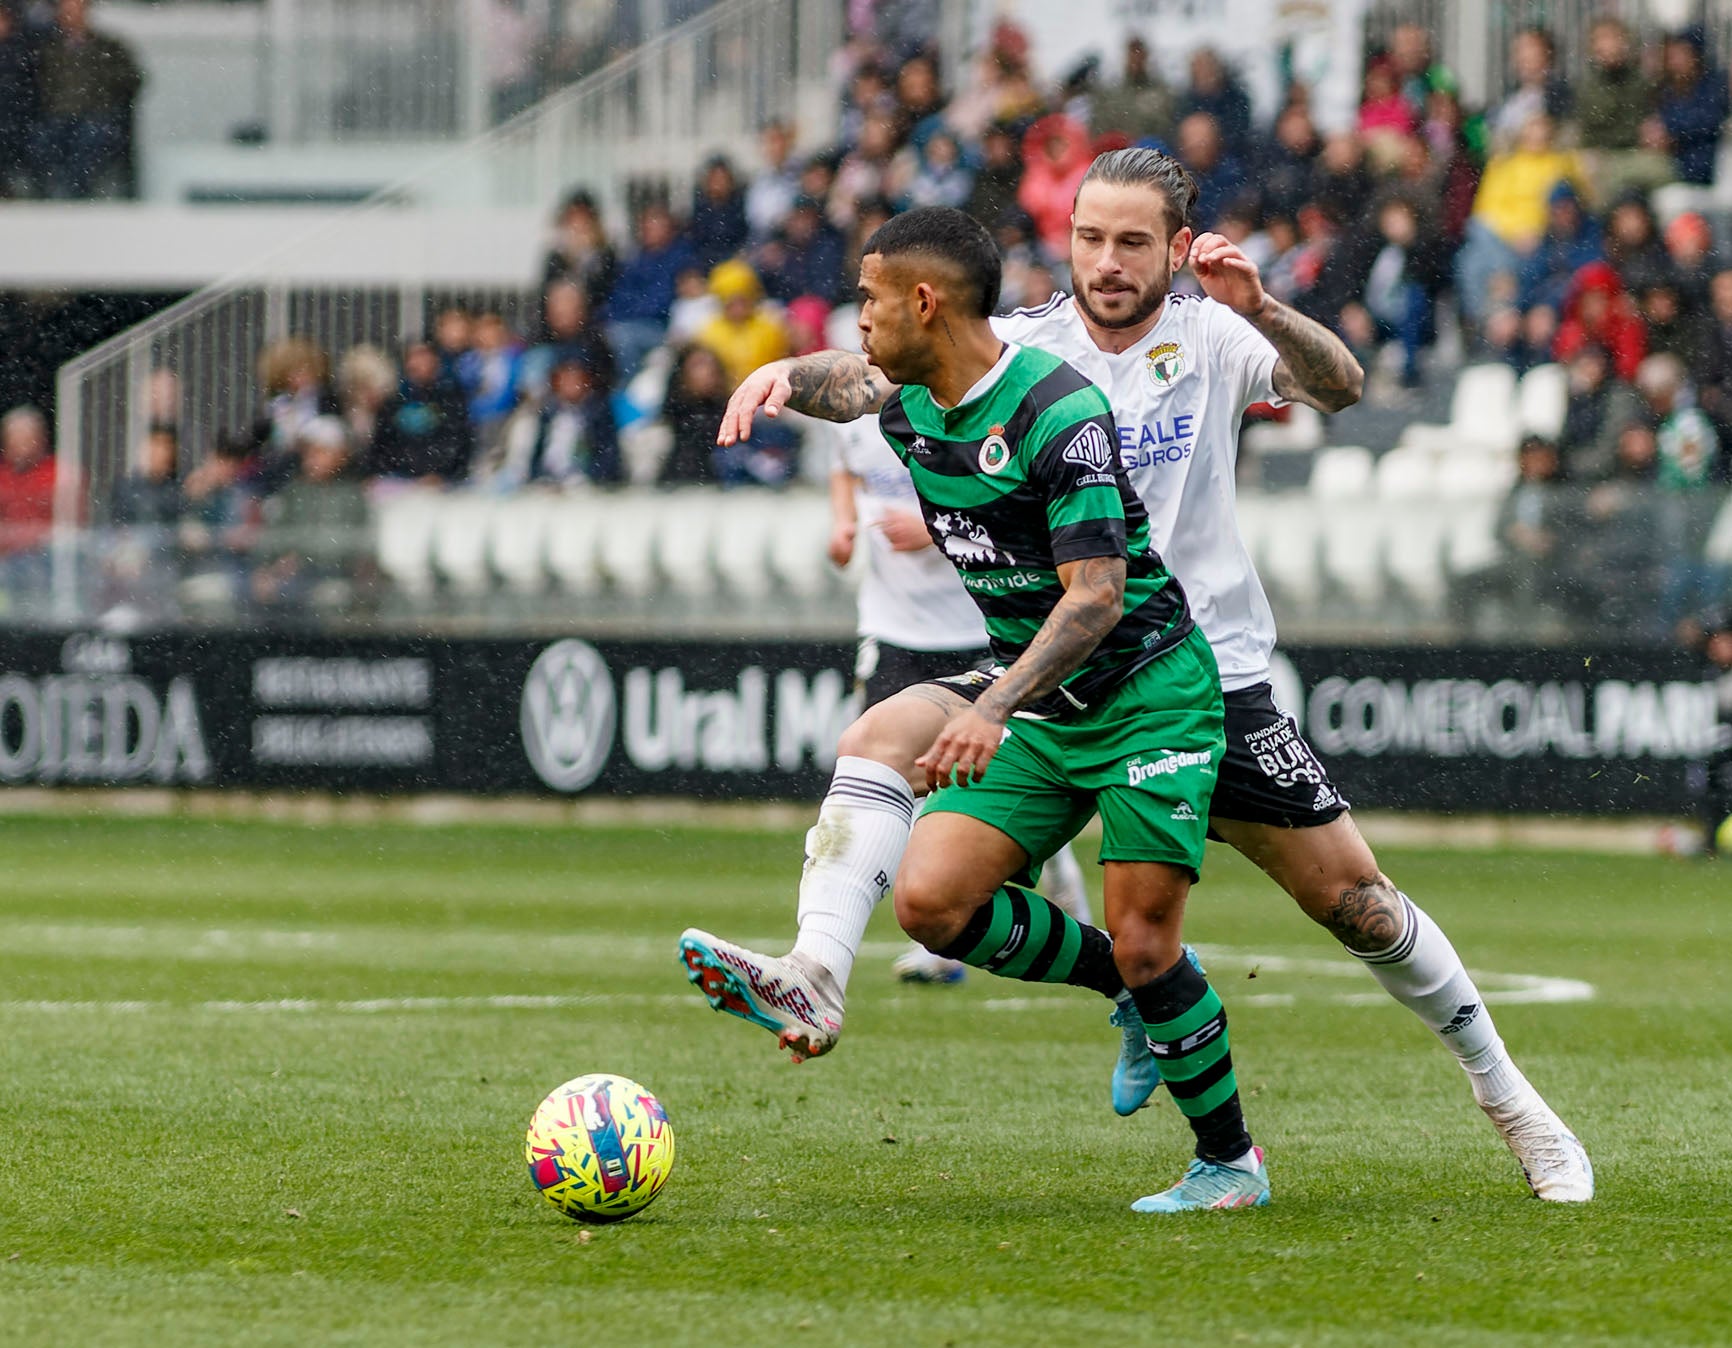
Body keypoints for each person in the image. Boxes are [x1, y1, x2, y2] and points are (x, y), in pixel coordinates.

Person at [697, 148, 1593, 1204]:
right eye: (1088, 239)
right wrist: (780, 374)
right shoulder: (1020, 342)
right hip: (1059, 674)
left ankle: (1511, 1100)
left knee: (1354, 903)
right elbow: (872, 373)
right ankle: (821, 970)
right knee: (928, 865)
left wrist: (1264, 309)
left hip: (1203, 666)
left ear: (1175, 249)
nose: (1107, 263)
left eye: (1131, 243)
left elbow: (1341, 387)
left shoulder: (1212, 330)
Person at [682, 205, 1268, 1213]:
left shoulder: (1055, 410)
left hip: (1145, 693)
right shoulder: (911, 402)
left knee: (1144, 939)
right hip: (1036, 688)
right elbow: (847, 382)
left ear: (923, 301)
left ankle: (1228, 1159)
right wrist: (770, 376)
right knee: (931, 900)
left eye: (869, 300)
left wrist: (992, 705)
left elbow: (1094, 596)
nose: (857, 319)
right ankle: (818, 973)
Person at [823, 391, 1092, 984]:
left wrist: (932, 527)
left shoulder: (960, 407)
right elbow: (845, 466)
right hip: (892, 627)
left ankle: (1055, 871)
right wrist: (843, 523)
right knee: (891, 769)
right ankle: (925, 943)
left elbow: (1007, 501)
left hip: (975, 628)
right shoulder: (856, 411)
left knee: (990, 773)